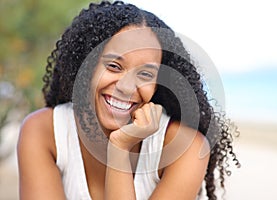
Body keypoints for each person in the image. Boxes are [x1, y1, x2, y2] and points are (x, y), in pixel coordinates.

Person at [17, 1, 239, 200]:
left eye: (145, 75)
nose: (125, 87)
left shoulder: (186, 148)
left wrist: (120, 149)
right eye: (114, 66)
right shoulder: (43, 131)